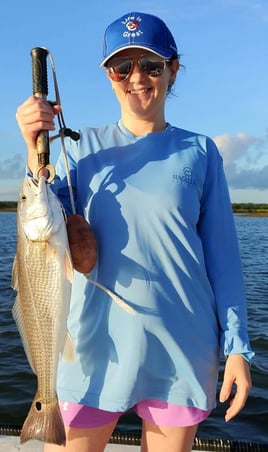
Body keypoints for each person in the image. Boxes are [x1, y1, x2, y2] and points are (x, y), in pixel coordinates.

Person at [16, 11, 254, 452]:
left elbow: (223, 259)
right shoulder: (78, 150)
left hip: (183, 342)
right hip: (92, 342)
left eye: (152, 65)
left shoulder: (201, 152)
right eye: (122, 67)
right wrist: (34, 150)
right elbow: (41, 229)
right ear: (109, 76)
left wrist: (237, 347)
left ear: (173, 69)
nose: (137, 77)